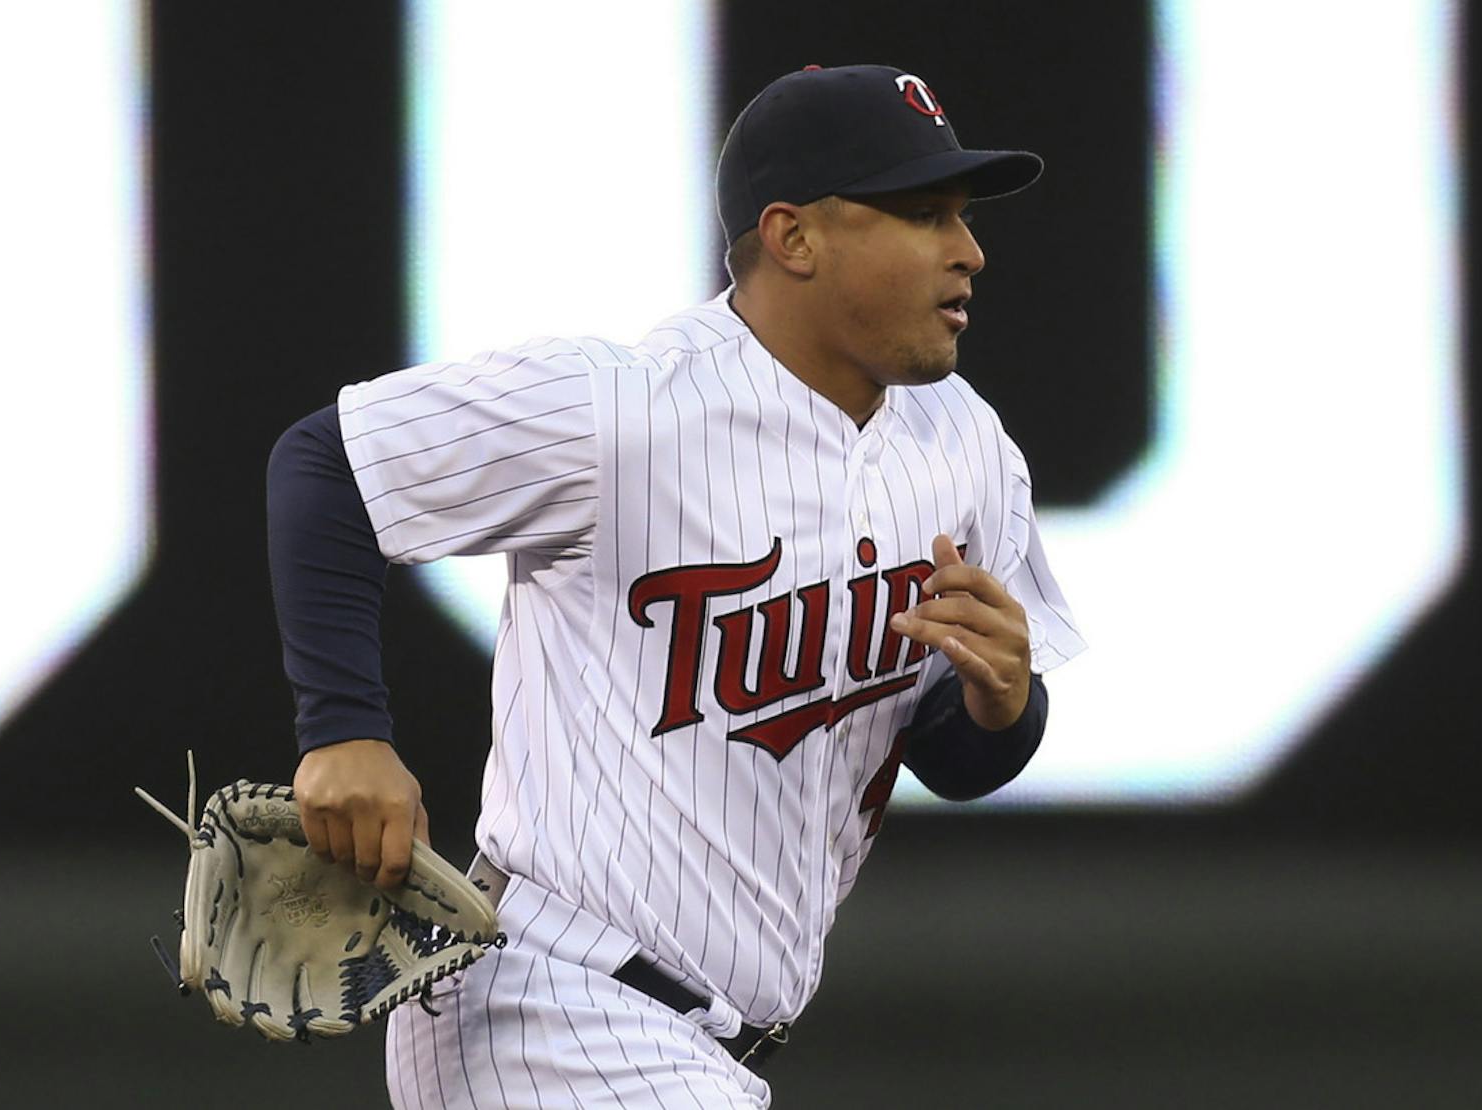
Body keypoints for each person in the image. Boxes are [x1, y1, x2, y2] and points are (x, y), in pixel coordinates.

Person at [266, 63, 1082, 1109]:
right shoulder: (625, 409)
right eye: (923, 214)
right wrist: (343, 731)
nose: (969, 251)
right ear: (794, 238)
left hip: (707, 1047)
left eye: (962, 217)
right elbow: (328, 462)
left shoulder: (963, 444)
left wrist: (1003, 702)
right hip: (550, 998)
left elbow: (958, 760)